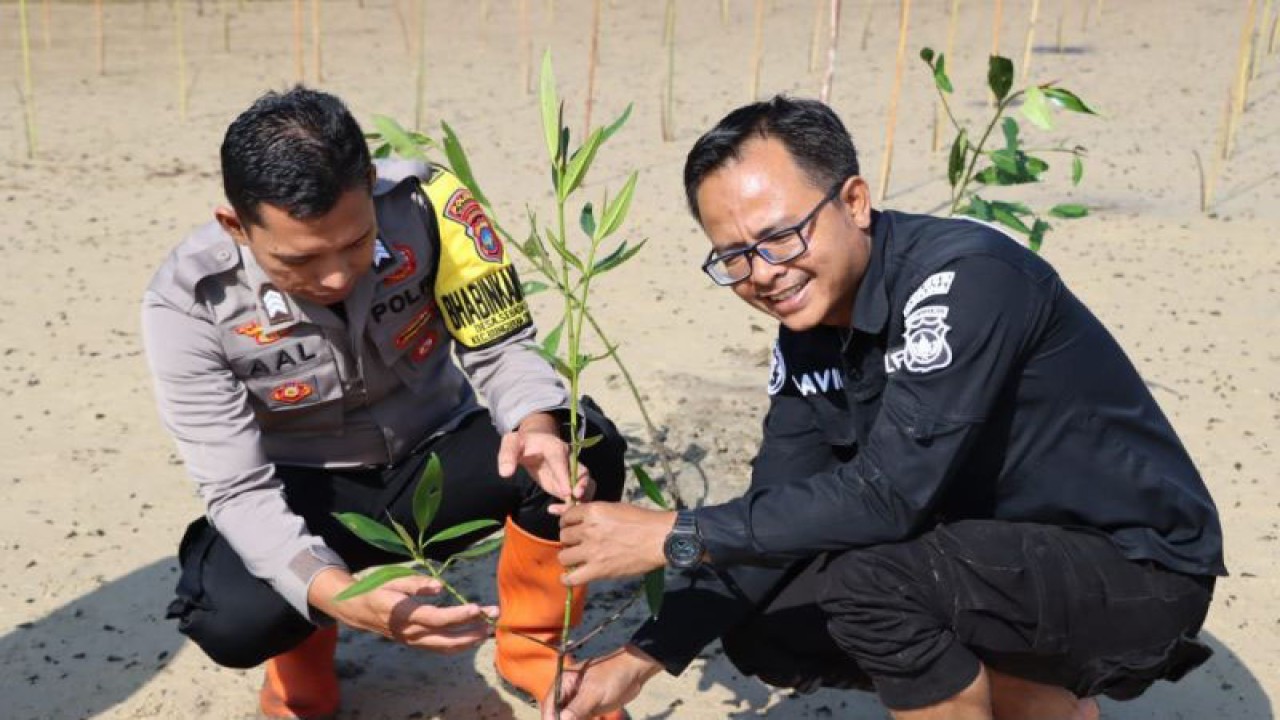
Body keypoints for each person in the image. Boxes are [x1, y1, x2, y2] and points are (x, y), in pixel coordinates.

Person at [541, 96, 1225, 720]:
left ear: (855, 201)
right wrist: (636, 661)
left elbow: (888, 497)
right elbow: (775, 511)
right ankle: (1047, 709)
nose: (764, 273)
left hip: (1137, 570)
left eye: (781, 237)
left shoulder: (965, 280)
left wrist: (673, 533)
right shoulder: (809, 330)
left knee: (873, 585)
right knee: (764, 618)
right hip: (987, 558)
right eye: (735, 257)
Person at [141, 87, 627, 720]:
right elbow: (238, 490)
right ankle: (300, 674)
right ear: (236, 225)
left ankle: (531, 648)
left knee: (582, 448)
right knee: (233, 615)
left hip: (436, 451)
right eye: (300, 259)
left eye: (355, 242)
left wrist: (534, 426)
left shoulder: (431, 206)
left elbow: (501, 345)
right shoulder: (188, 302)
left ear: (370, 184)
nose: (337, 275)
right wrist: (338, 595)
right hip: (309, 491)